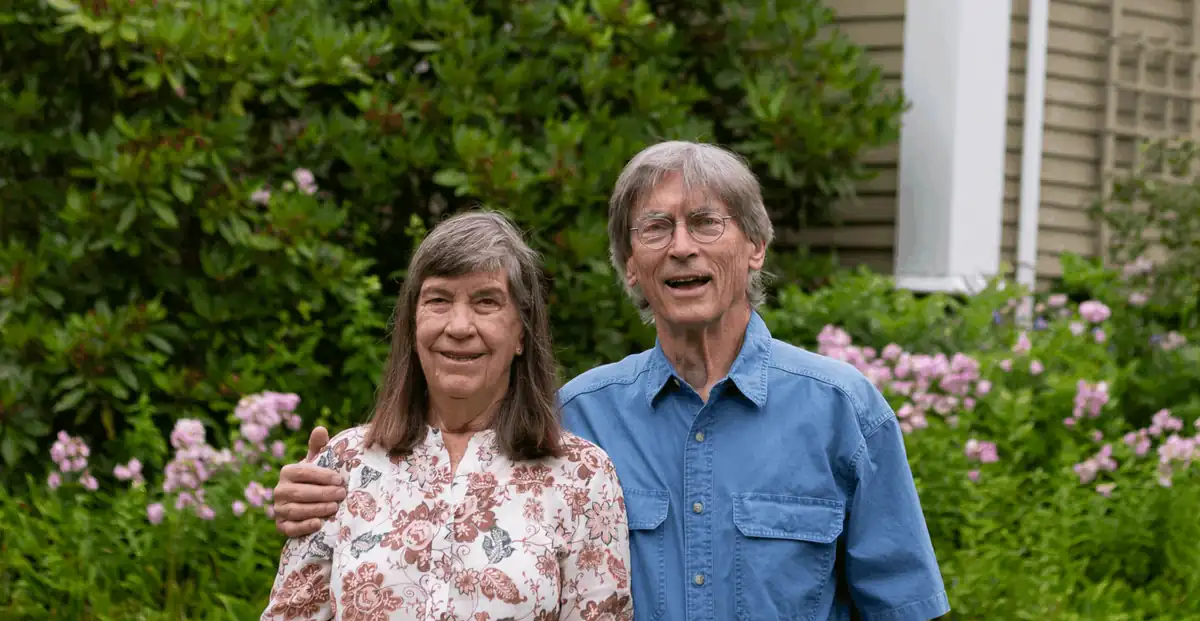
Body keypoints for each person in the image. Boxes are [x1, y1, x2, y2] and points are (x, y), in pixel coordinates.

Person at [273, 141, 950, 621]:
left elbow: (903, 607)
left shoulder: (842, 411)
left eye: (706, 222)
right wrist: (313, 493)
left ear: (755, 246)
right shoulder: (574, 420)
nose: (680, 246)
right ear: (629, 263)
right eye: (655, 228)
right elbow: (447, 450)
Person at [260, 211, 633, 621]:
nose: (458, 326)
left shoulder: (582, 478)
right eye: (438, 300)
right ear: (412, 324)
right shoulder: (345, 463)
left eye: (486, 302)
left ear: (522, 333)